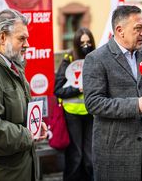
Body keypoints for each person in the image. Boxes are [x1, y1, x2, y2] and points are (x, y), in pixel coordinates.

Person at [83, 5, 142, 181]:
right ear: (120, 30)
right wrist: (135, 105)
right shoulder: (96, 59)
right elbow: (93, 102)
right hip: (115, 152)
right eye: (138, 28)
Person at [0, 9, 47, 181]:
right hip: (4, 171)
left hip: (21, 166)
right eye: (21, 38)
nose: (27, 44)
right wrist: (28, 135)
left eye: (27, 38)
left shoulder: (13, 65)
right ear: (2, 38)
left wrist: (34, 125)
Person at [54, 27, 95, 181]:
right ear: (76, 44)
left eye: (89, 42)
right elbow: (58, 90)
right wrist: (78, 89)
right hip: (72, 114)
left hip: (91, 113)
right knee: (75, 156)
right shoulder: (68, 59)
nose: (86, 45)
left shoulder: (96, 58)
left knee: (89, 156)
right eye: (82, 42)